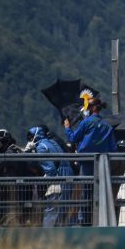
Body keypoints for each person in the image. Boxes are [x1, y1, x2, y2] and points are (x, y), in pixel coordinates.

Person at [63, 90, 116, 225]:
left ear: (91, 109)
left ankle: (84, 221)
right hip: (102, 164)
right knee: (100, 192)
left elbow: (73, 138)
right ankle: (100, 220)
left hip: (86, 162)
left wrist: (67, 128)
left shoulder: (86, 123)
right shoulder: (108, 126)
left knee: (85, 192)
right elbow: (113, 149)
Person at [24, 126, 74, 227]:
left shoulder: (41, 147)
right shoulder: (52, 142)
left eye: (31, 137)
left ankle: (47, 236)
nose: (30, 140)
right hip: (68, 174)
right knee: (63, 209)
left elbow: (50, 169)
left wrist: (44, 181)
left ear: (36, 136)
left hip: (57, 178)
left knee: (51, 208)